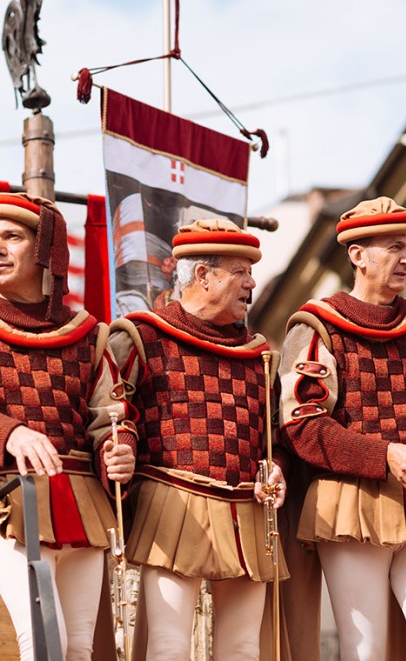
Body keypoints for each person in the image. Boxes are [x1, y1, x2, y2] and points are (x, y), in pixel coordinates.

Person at [0, 192, 137, 661]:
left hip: (84, 506)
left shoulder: (89, 335)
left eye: (12, 237)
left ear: (46, 252)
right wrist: (10, 433)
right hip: (11, 501)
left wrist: (117, 451)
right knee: (42, 638)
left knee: (79, 647)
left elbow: (108, 418)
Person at [278, 197, 406, 661]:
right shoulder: (317, 324)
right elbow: (302, 426)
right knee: (366, 651)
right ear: (358, 255)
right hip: (348, 505)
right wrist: (385, 455)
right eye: (393, 247)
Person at [108, 218, 288, 661]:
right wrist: (122, 448)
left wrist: (278, 466)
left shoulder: (260, 355)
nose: (252, 281)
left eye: (251, 270)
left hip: (245, 508)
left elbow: (274, 435)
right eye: (240, 270)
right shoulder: (140, 335)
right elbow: (113, 412)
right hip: (172, 502)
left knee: (243, 650)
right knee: (169, 646)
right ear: (203, 275)